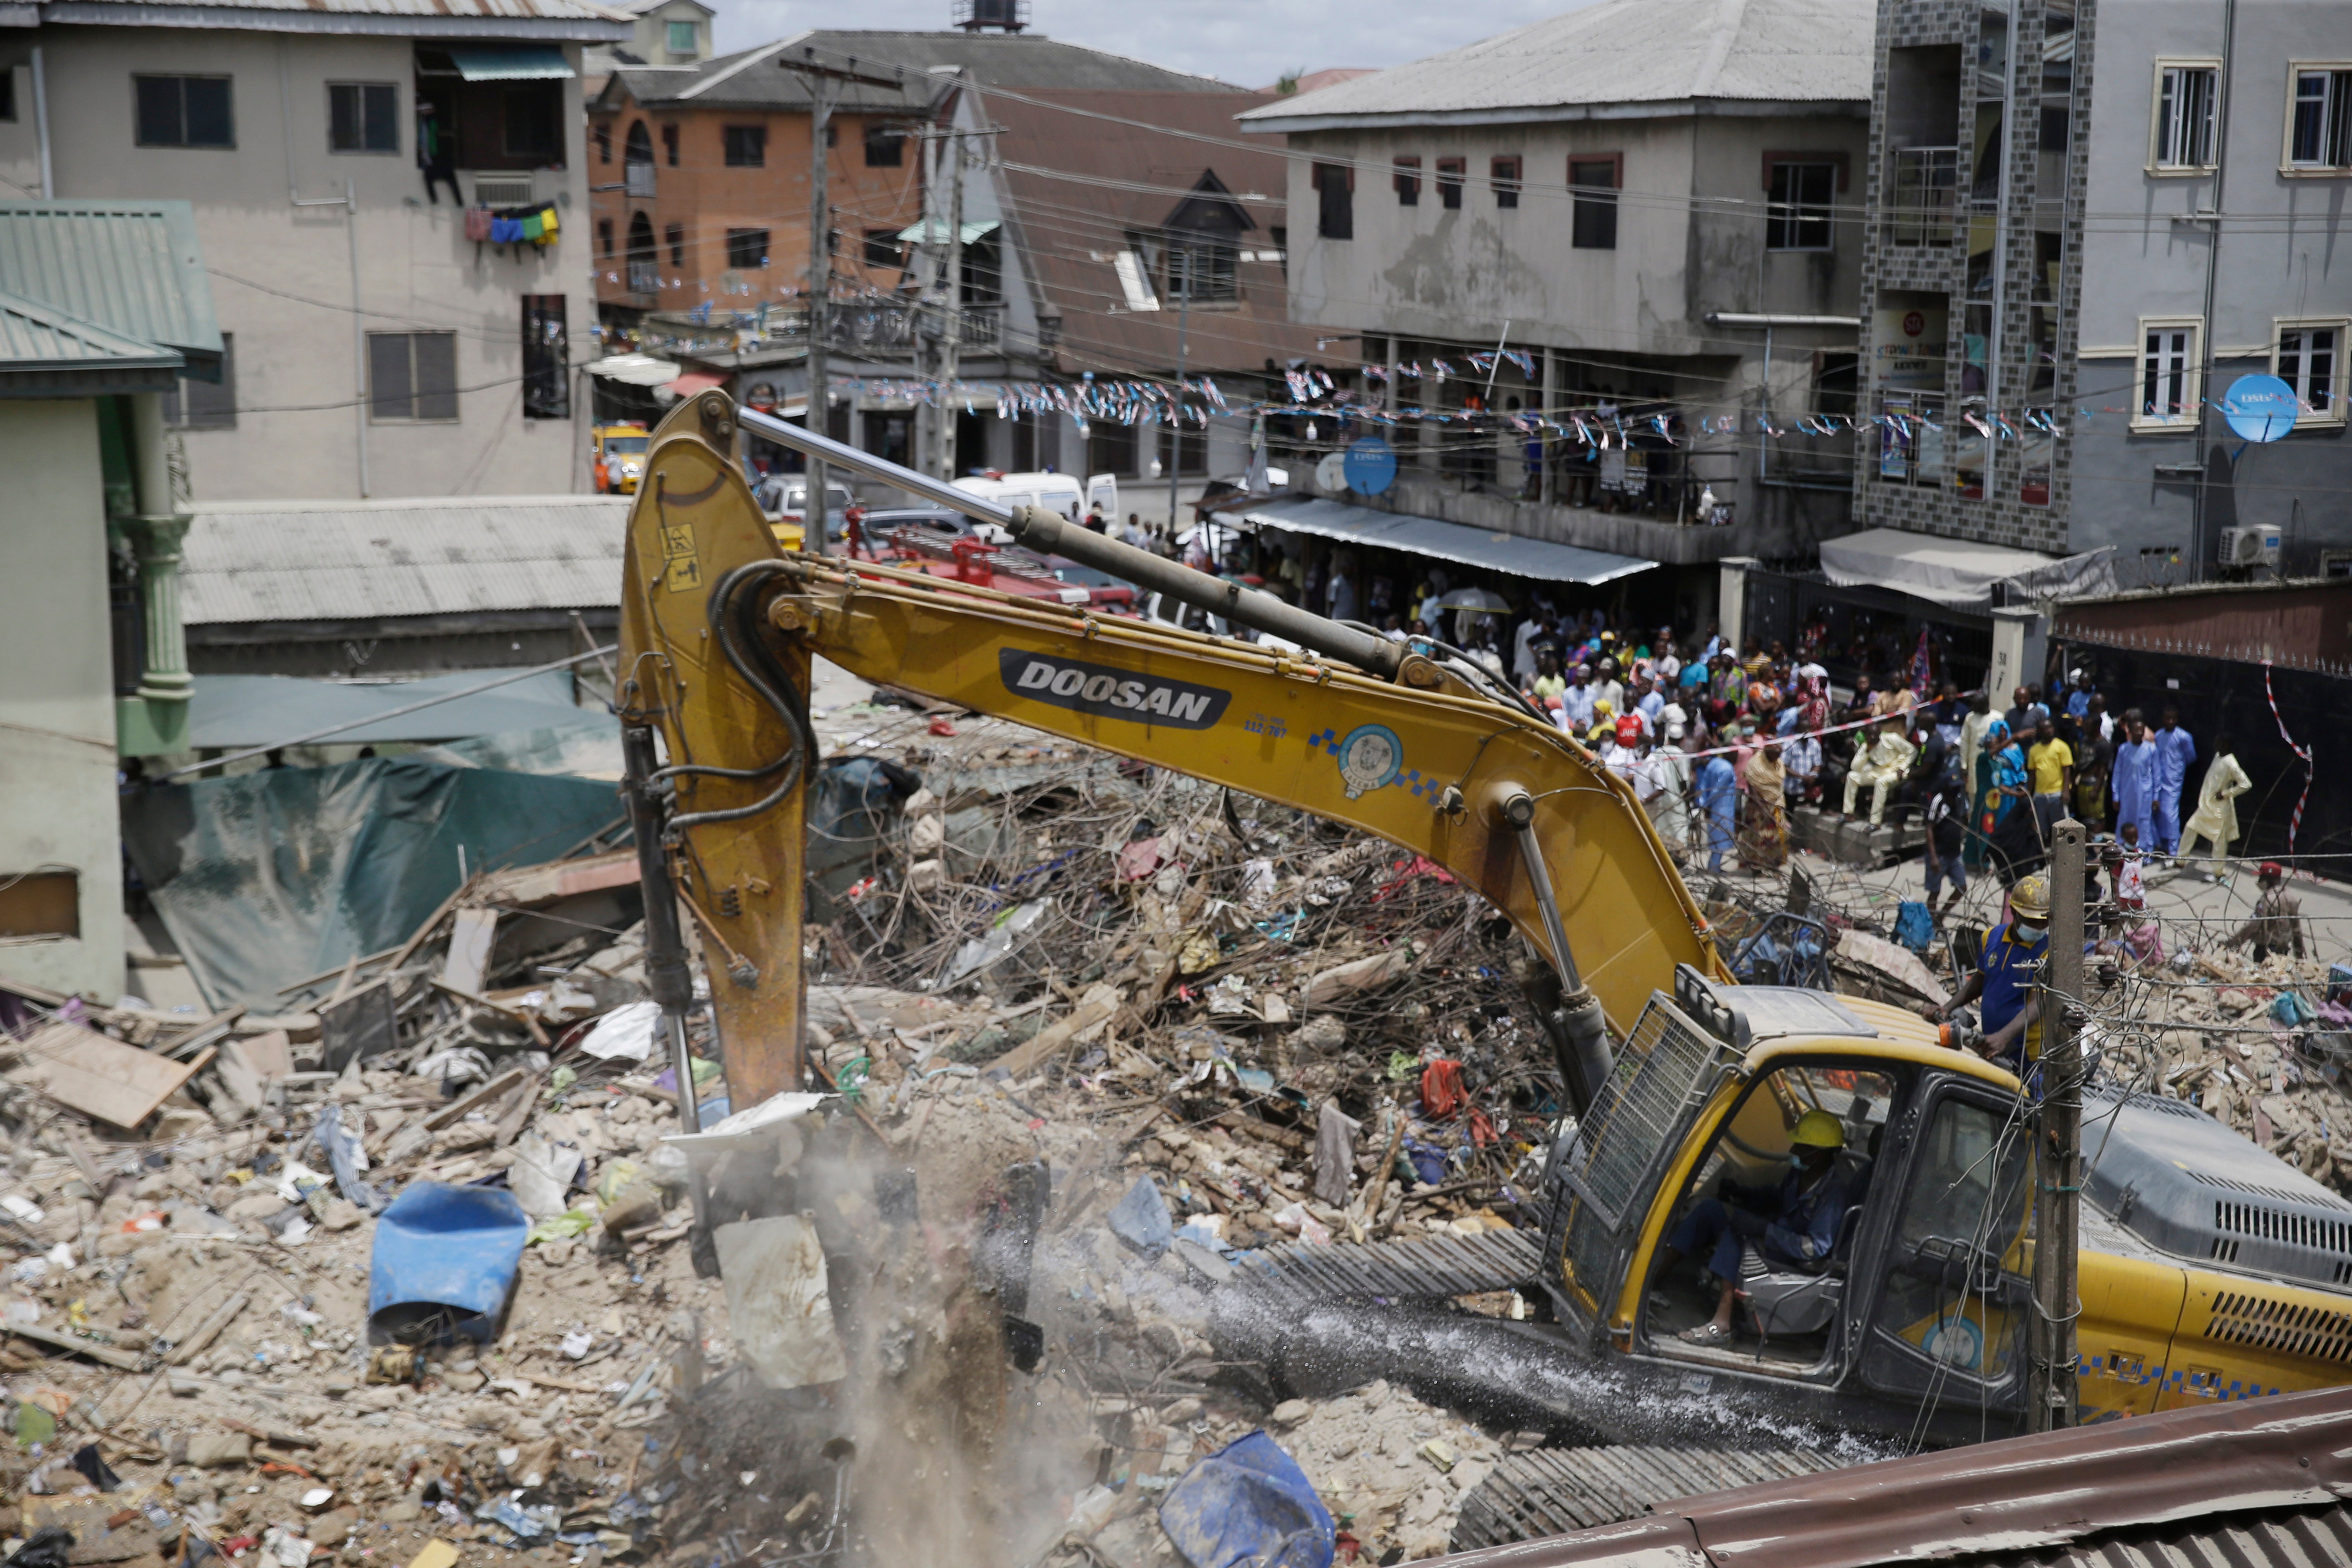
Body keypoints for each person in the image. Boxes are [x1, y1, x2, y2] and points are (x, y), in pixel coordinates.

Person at [1659, 1111, 1852, 1347]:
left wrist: (1765, 1230)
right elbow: (1777, 1197)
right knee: (1710, 1210)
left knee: (1737, 1233)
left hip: (1793, 1257)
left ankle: (1721, 1324)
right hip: (1776, 1237)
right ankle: (1656, 1278)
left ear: (1818, 1155)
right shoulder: (1800, 1174)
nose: (1793, 1152)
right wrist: (1743, 1194)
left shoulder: (1833, 1195)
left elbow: (1815, 1248)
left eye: (1800, 1147)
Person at [1941, 873, 2052, 1075]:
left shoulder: (2049, 950)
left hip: (2029, 1054)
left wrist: (2005, 1036)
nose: (2038, 927)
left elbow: (2039, 1004)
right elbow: (1981, 979)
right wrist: (1947, 1008)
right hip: (1994, 1042)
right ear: (2014, 911)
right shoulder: (1991, 937)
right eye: (2031, 920)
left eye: (2044, 921)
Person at [2177, 749, 2252, 877]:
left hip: (2220, 810)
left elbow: (2246, 784)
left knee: (2219, 841)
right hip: (2207, 806)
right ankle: (2180, 861)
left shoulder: (2231, 763)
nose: (2217, 745)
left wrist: (2225, 794)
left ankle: (2218, 872)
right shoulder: (2218, 756)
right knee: (2190, 827)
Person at [1843, 716, 1917, 826]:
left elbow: (1913, 751)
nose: (1873, 737)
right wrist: (1867, 751)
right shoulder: (1866, 746)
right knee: (1852, 776)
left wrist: (1903, 767)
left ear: (1880, 733)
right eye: (1870, 735)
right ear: (1866, 735)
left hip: (1897, 771)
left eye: (1875, 735)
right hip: (1879, 771)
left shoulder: (1891, 738)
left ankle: (1875, 822)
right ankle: (1848, 813)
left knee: (1881, 782)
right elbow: (1855, 767)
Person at [2226, 862, 2307, 962]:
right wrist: (2300, 955)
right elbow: (2296, 929)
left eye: (2261, 878)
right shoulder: (2291, 898)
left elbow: (2253, 924)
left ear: (2269, 879)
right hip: (2283, 951)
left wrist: (2234, 942)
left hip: (2265, 950)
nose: (2259, 881)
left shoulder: (2267, 900)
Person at [1923, 762, 1969, 917]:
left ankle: (1941, 917)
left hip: (1954, 854)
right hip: (1940, 854)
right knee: (1935, 891)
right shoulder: (1938, 801)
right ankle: (1930, 922)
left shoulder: (1959, 800)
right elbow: (1929, 828)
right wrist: (1934, 857)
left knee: (1962, 887)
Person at [2151, 707, 2195, 857]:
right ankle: (2162, 845)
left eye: (2173, 719)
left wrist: (2177, 769)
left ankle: (2173, 849)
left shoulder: (2184, 737)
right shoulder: (2158, 735)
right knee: (2159, 814)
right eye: (2167, 718)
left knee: (2170, 815)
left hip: (2174, 782)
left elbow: (2191, 757)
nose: (2170, 722)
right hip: (2159, 781)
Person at [2111, 712, 2157, 851]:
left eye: (2141, 731)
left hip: (2144, 794)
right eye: (2136, 731)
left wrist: (2156, 797)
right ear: (2130, 732)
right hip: (2127, 794)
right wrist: (2116, 796)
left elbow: (2157, 775)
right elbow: (2117, 773)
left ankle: (2144, 851)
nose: (2139, 734)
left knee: (2144, 823)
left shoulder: (2151, 749)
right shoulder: (2124, 749)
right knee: (2125, 820)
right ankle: (2122, 849)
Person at [1740, 740, 1788, 870]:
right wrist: (1765, 811)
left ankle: (1773, 864)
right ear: (1768, 751)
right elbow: (1753, 791)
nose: (1779, 756)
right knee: (1758, 838)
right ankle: (1757, 866)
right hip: (1758, 807)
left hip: (1776, 805)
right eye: (1776, 753)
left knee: (1778, 836)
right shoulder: (1755, 765)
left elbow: (1779, 787)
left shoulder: (1778, 764)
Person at [1648, 724, 1694, 859]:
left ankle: (1663, 857)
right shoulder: (1681, 755)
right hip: (1676, 797)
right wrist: (1687, 798)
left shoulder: (1657, 752)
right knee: (1679, 828)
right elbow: (1684, 779)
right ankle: (1682, 858)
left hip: (1660, 796)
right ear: (1682, 739)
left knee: (1662, 828)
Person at [2026, 717, 2074, 838]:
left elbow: (2067, 771)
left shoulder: (2062, 747)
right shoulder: (2034, 750)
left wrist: (2066, 790)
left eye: (2050, 728)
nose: (2049, 731)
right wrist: (2029, 795)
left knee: (2060, 829)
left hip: (2057, 794)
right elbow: (2032, 774)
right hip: (2040, 795)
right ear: (2040, 731)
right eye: (2045, 729)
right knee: (2041, 829)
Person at [1696, 747, 1738, 874]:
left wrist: (1704, 803)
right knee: (1721, 838)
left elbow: (1704, 785)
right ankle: (1714, 867)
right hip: (1723, 807)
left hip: (1714, 807)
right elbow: (1718, 789)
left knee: (1715, 837)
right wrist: (1709, 803)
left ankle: (1713, 865)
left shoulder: (1714, 763)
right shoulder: (1727, 769)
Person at [417, 102, 460, 205]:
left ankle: (458, 201)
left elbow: (433, 137)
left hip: (439, 156)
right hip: (432, 156)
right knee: (429, 177)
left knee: (449, 178)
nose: (426, 113)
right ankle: (434, 199)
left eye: (427, 110)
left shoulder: (434, 122)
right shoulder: (423, 123)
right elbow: (423, 140)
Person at [1781, 725, 1822, 807]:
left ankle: (1822, 807)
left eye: (1807, 729)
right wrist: (1802, 777)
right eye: (1803, 729)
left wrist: (1813, 775)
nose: (1806, 731)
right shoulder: (1789, 744)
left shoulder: (1815, 743)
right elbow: (1783, 765)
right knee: (1789, 806)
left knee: (1830, 779)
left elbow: (1818, 764)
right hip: (1793, 779)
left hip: (1809, 778)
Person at [2113, 821, 2147, 912]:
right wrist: (2118, 900)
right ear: (2124, 837)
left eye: (2136, 836)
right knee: (2118, 925)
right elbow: (2115, 879)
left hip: (2138, 897)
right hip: (2124, 898)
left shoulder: (2140, 853)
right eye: (2130, 838)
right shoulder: (2120, 855)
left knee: (2141, 925)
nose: (2134, 840)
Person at [1562, 664, 1598, 731]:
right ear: (1576, 678)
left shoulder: (1593, 693)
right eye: (1580, 678)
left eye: (1585, 679)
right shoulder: (1567, 693)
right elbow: (1565, 713)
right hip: (1572, 730)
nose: (1582, 681)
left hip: (1589, 730)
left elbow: (1596, 712)